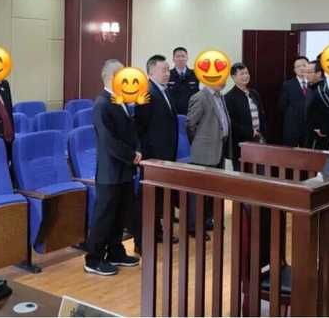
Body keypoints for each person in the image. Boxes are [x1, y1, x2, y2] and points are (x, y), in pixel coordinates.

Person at [84, 59, 141, 276]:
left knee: (120, 213)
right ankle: (93, 258)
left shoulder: (119, 99)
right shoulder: (102, 103)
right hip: (110, 170)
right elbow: (109, 141)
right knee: (104, 215)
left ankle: (115, 251)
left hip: (124, 169)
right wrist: (131, 155)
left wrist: (137, 149)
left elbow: (131, 131)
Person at [134, 54, 179, 249]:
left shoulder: (164, 90)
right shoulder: (147, 92)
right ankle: (142, 240)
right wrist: (146, 154)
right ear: (151, 71)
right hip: (153, 156)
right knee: (149, 199)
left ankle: (157, 232)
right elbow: (140, 127)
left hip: (165, 155)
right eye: (164, 70)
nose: (167, 73)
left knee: (160, 197)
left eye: (168, 70)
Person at [186, 75, 230, 234]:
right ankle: (194, 227)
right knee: (198, 193)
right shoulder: (200, 97)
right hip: (203, 152)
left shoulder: (220, 96)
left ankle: (207, 221)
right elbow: (190, 125)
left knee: (213, 191)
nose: (223, 81)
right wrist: (199, 144)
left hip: (219, 149)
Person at [224, 63, 266, 171]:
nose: (245, 76)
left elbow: (261, 114)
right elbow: (231, 122)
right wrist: (250, 132)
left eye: (247, 73)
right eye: (242, 74)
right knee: (243, 173)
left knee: (260, 172)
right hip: (241, 143)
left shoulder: (254, 93)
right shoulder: (229, 97)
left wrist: (262, 133)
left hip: (259, 140)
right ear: (233, 77)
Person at [279, 56, 311, 147]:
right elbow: (282, 106)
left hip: (309, 128)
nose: (301, 68)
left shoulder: (313, 84)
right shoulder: (288, 85)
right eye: (298, 66)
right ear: (294, 70)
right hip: (292, 127)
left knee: (308, 153)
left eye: (304, 65)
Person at [305, 57, 329, 150]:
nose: (306, 75)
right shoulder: (311, 86)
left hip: (318, 135)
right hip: (309, 131)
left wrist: (324, 130)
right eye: (306, 72)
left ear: (319, 73)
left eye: (309, 72)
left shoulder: (321, 91)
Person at [167, 47, 199, 115]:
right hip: (173, 114)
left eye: (183, 56)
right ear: (173, 59)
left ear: (187, 58)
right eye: (178, 56)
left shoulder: (196, 74)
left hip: (192, 113)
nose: (180, 59)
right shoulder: (168, 75)